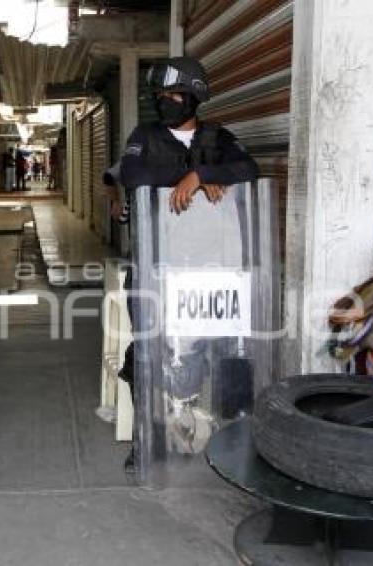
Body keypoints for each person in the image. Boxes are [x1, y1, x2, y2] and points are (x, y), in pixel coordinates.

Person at [118, 56, 259, 473]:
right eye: (160, 94)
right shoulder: (145, 136)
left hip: (214, 269)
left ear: (195, 97)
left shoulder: (219, 137)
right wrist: (197, 176)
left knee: (224, 352)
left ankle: (228, 438)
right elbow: (133, 175)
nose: (165, 101)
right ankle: (147, 439)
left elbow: (248, 169)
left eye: (174, 94)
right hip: (156, 265)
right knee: (149, 351)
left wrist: (203, 173)